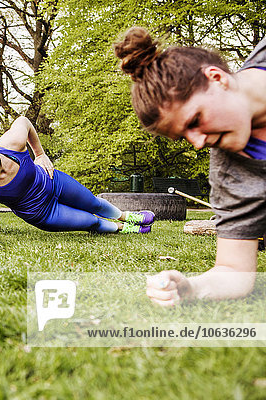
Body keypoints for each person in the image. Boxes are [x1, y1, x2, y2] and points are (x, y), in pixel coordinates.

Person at [114, 27, 266, 306]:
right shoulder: (231, 176)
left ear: (217, 78)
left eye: (195, 120)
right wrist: (191, 288)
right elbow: (233, 270)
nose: (197, 143)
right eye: (184, 136)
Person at [0, 116, 155, 243]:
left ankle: (126, 216)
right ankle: (122, 228)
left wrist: (40, 154)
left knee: (93, 203)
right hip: (44, 213)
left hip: (52, 181)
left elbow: (23, 121)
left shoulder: (11, 143)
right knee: (90, 221)